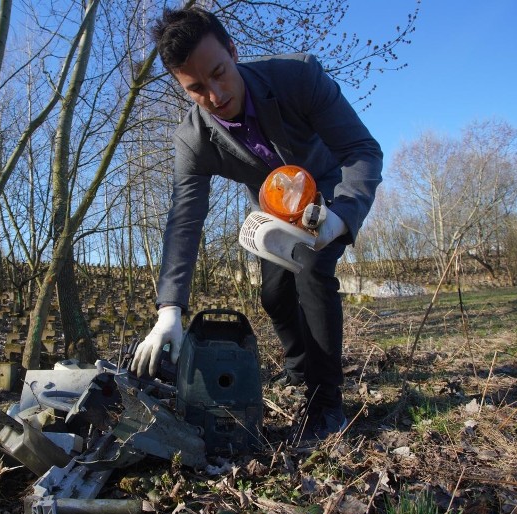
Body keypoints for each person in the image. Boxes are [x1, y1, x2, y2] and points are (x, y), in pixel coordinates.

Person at [131, 7, 382, 443]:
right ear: (181, 87)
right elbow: (184, 220)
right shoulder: (193, 139)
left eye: (219, 73)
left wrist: (339, 217)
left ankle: (325, 401)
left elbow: (361, 149)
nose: (214, 95)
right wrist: (169, 309)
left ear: (232, 50)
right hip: (271, 210)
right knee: (273, 293)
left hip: (327, 192)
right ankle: (298, 368)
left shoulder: (296, 78)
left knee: (312, 274)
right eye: (195, 89)